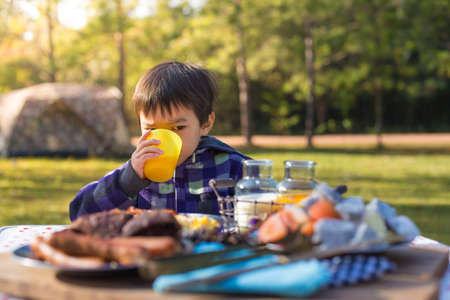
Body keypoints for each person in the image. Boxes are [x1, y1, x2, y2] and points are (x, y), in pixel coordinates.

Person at [69, 61, 250, 221]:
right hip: (153, 256)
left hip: (211, 257)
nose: (164, 138)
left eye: (177, 128)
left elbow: (265, 218)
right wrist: (127, 181)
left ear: (205, 123)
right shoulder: (135, 173)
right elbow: (79, 213)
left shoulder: (233, 168)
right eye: (152, 129)